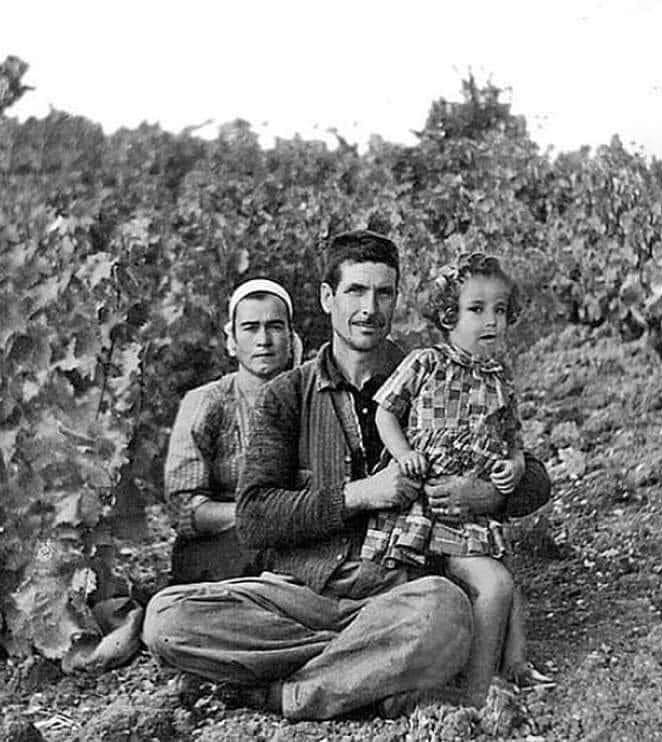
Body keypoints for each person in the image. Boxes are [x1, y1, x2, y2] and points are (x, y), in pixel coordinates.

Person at [142, 230, 552, 720]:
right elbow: (254, 518)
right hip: (300, 595)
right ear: (327, 299)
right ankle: (368, 667)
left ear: (396, 299)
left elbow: (535, 480)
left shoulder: (434, 374)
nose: (369, 308)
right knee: (166, 619)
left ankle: (290, 693)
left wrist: (482, 494)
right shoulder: (288, 395)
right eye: (356, 291)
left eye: (383, 293)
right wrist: (358, 495)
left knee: (443, 611)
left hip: (399, 591)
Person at [361, 252, 550, 705]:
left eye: (501, 311)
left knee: (507, 587)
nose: (492, 322)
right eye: (476, 309)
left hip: (471, 512)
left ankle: (513, 670)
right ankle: (477, 692)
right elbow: (386, 412)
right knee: (493, 585)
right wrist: (403, 454)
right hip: (426, 508)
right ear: (448, 315)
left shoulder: (500, 381)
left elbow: (514, 442)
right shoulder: (426, 364)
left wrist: (515, 468)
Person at [164, 278, 303, 583]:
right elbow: (185, 509)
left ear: (291, 340)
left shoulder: (311, 400)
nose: (263, 340)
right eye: (251, 328)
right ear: (232, 341)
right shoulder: (206, 404)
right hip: (221, 547)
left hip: (297, 542)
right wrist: (260, 516)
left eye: (275, 327)